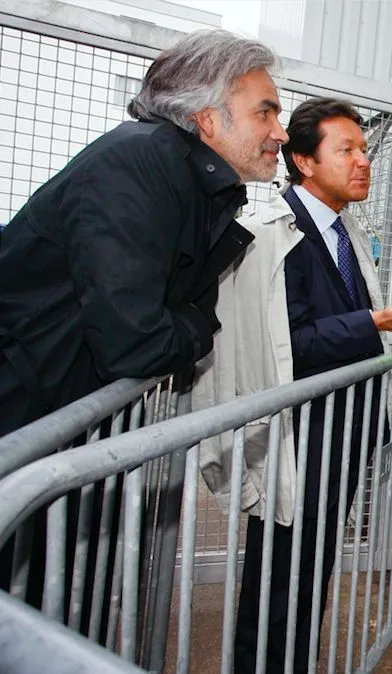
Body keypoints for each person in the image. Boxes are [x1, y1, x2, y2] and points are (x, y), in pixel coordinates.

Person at [209, 97, 392, 674]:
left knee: (309, 579)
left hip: (338, 435)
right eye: (348, 150)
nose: (363, 162)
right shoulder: (275, 238)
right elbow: (285, 344)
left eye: (365, 149)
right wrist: (370, 322)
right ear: (303, 161)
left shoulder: (342, 232)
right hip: (297, 441)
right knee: (277, 581)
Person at [0, 29, 284, 438]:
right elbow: (136, 344)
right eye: (264, 113)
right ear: (206, 117)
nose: (280, 132)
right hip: (21, 417)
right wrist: (194, 328)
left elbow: (180, 317)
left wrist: (188, 324)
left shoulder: (192, 182)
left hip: (53, 418)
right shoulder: (136, 164)